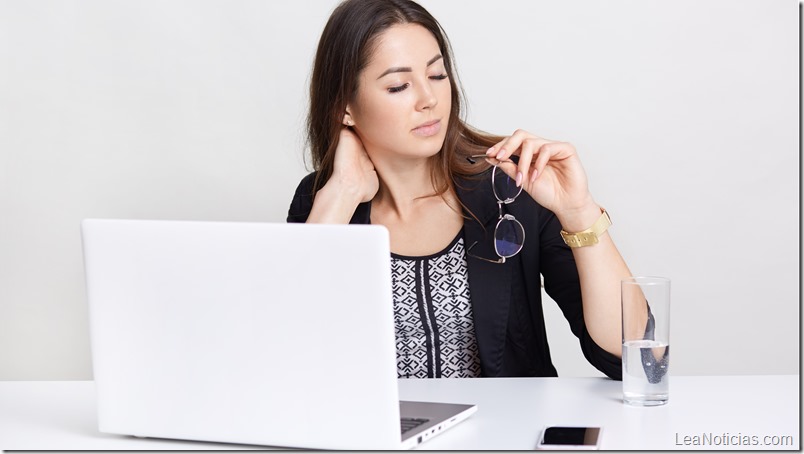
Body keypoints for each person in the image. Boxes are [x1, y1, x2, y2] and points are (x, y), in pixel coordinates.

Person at [287, 0, 643, 379]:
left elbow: (633, 358)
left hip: (502, 436)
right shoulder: (322, 200)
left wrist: (579, 212)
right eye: (399, 85)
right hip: (379, 438)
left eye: (437, 75)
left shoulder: (512, 185)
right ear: (346, 108)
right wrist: (340, 196)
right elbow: (288, 359)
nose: (429, 99)